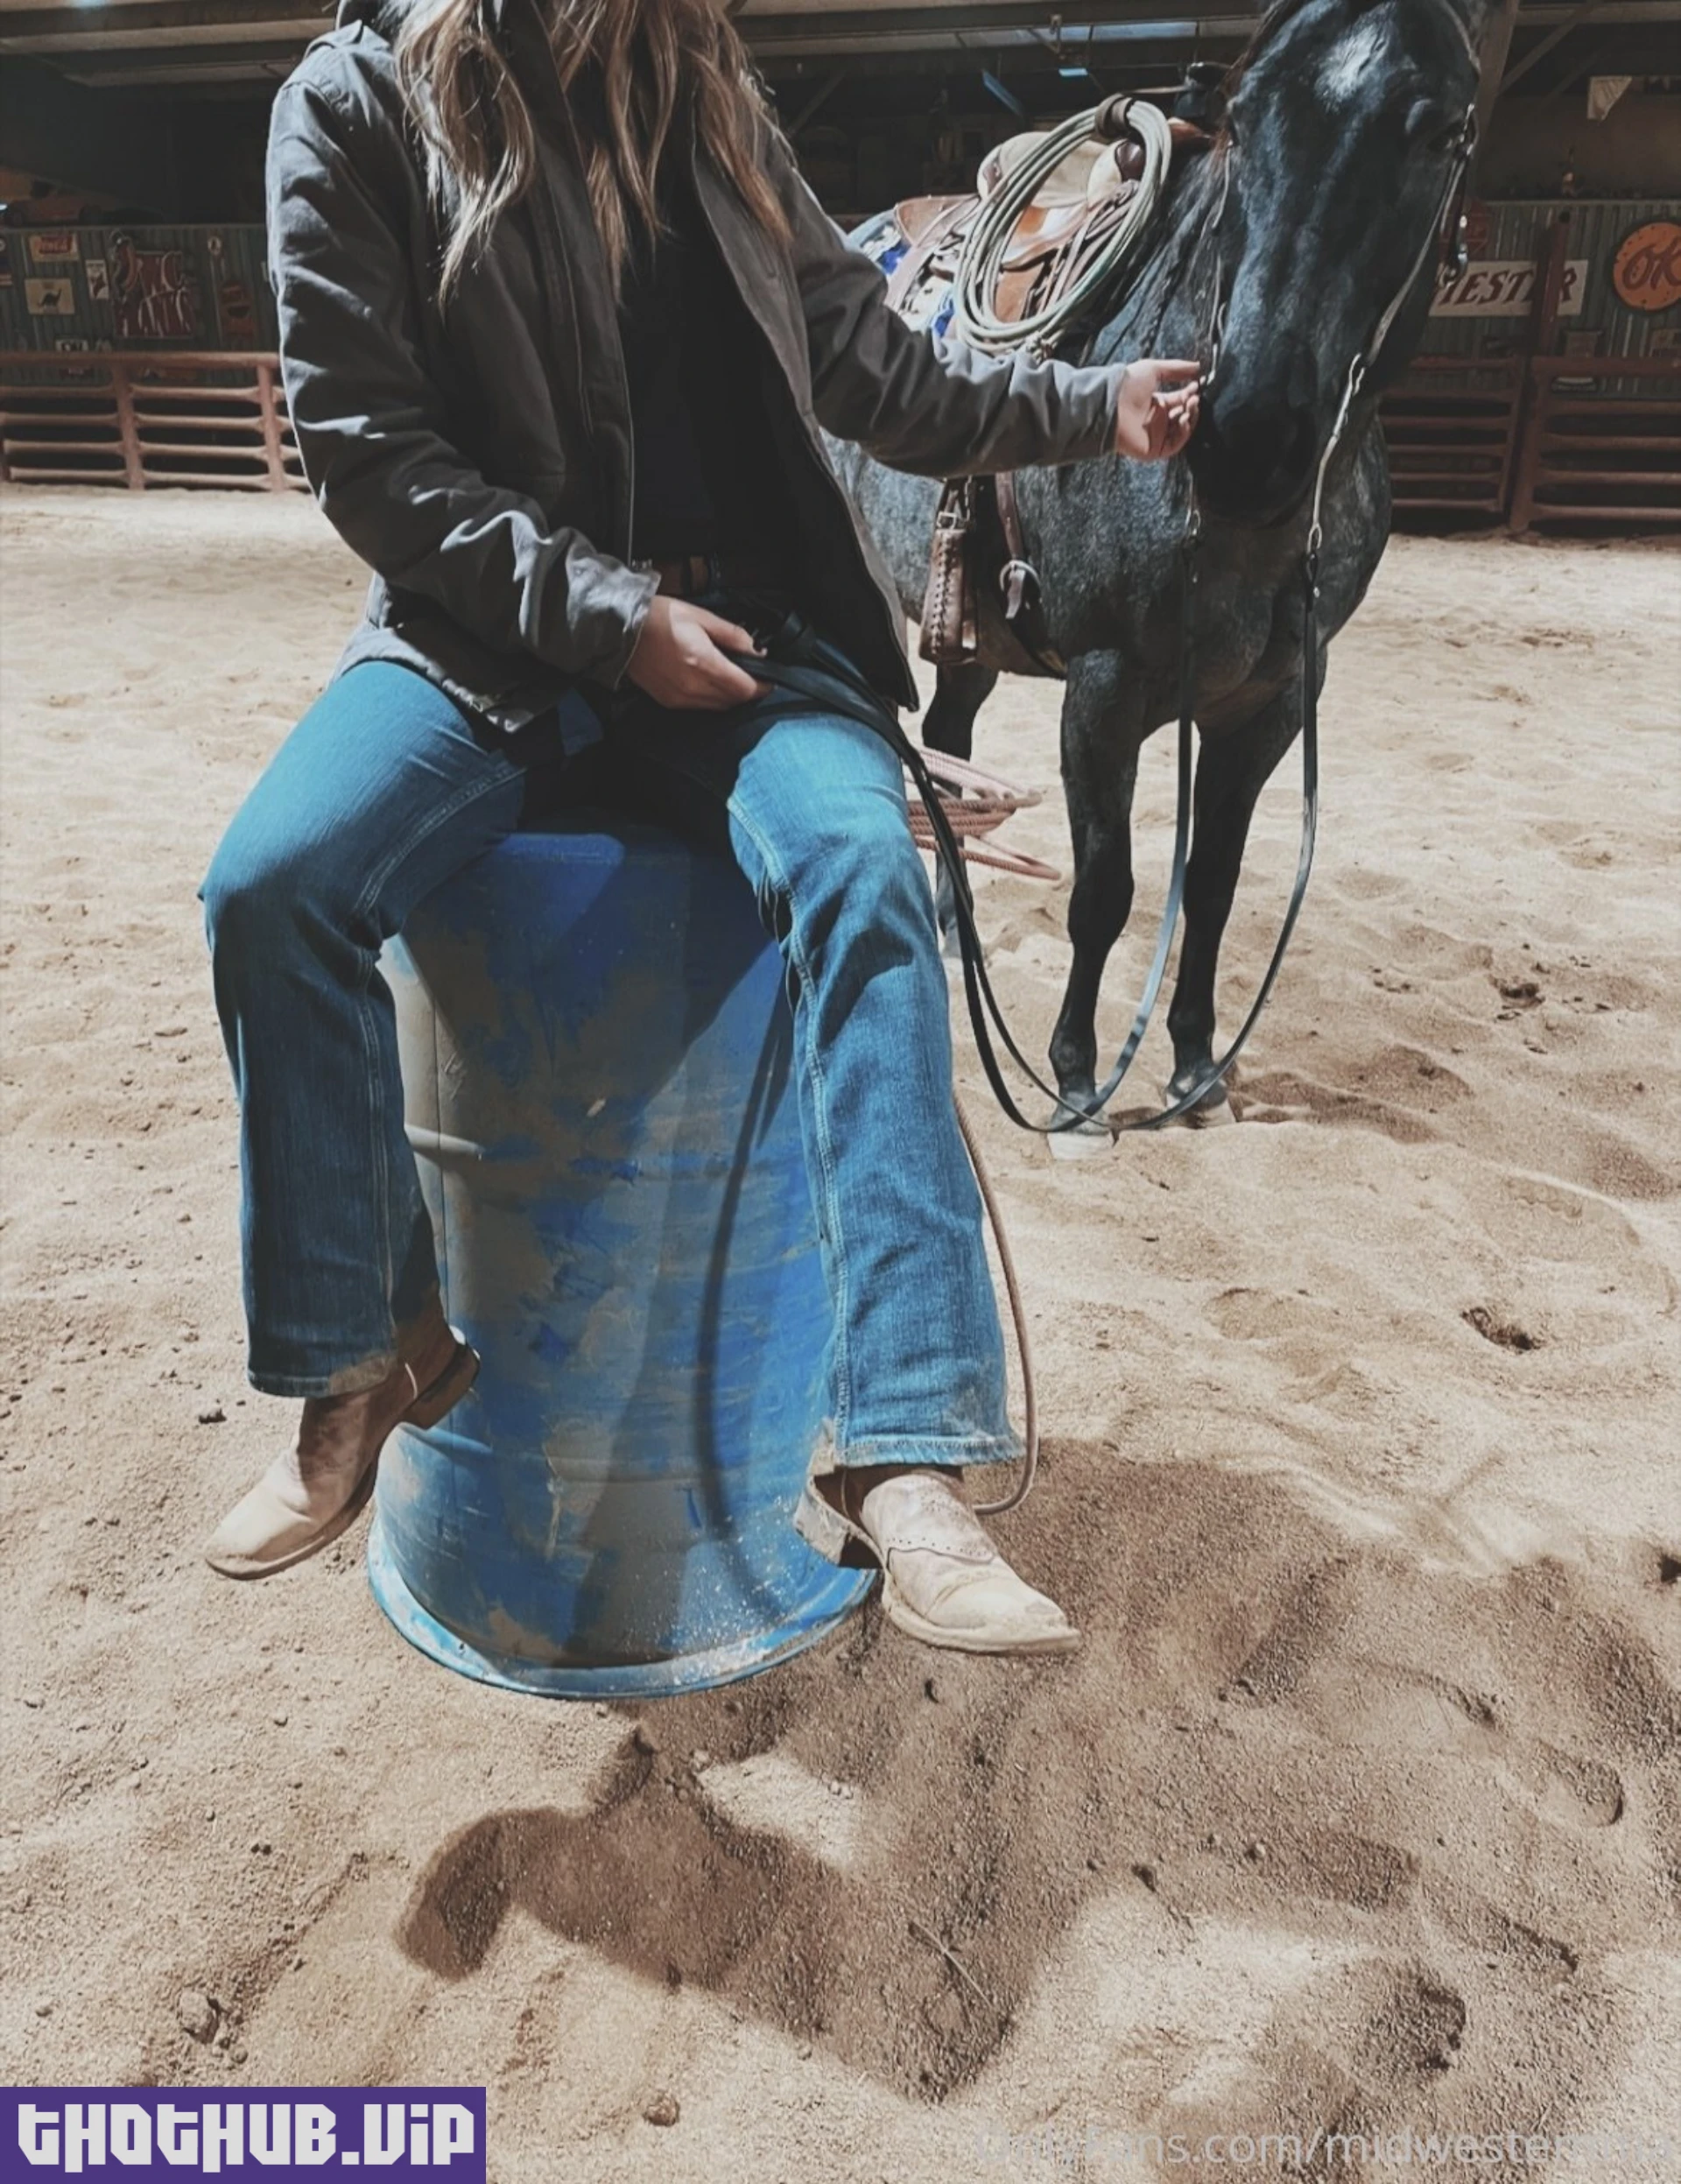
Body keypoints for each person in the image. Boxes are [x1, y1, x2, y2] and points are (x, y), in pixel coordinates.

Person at [200, 0, 1199, 1654]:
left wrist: (1095, 407)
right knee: (269, 887)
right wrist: (610, 622)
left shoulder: (701, 91)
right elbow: (370, 456)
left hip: (742, 635)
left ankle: (902, 1450)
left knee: (864, 874)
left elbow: (878, 369)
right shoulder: (358, 102)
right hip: (485, 638)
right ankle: (362, 1355)